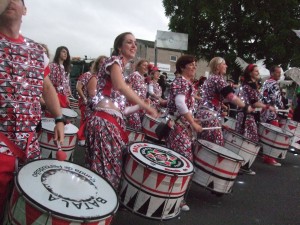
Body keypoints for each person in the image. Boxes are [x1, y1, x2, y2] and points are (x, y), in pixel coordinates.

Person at [0, 0, 64, 220]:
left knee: (21, 210)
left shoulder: (37, 50)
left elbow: (47, 87)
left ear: (25, 10)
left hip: (29, 144)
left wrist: (59, 119)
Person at [85, 32, 157, 190]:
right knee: (103, 174)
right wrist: (144, 105)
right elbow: (119, 86)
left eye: (135, 43)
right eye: (129, 42)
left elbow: (121, 110)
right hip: (104, 124)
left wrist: (139, 106)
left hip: (111, 123)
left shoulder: (122, 71)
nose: (134, 46)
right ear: (119, 47)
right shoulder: (114, 61)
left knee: (109, 172)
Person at [166, 55, 203, 212]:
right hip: (179, 127)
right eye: (191, 65)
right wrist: (193, 123)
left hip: (183, 127)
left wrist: (193, 120)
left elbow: (185, 106)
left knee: (180, 160)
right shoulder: (181, 82)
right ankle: (174, 198)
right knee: (181, 161)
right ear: (182, 67)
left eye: (195, 65)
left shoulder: (187, 83)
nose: (194, 67)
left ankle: (173, 196)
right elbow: (180, 104)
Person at [195, 57, 250, 146]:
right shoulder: (218, 79)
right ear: (217, 67)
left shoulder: (211, 78)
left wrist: (221, 109)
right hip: (209, 116)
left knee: (204, 144)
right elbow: (230, 96)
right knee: (216, 146)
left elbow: (214, 98)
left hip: (204, 114)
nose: (226, 66)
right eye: (224, 64)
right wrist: (245, 106)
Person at [235, 64, 276, 174]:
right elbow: (254, 103)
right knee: (249, 141)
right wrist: (268, 107)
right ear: (250, 73)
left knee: (244, 140)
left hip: (244, 115)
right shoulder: (250, 85)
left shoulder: (248, 84)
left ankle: (239, 165)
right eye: (256, 71)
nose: (258, 73)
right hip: (246, 116)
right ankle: (242, 165)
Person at [260, 65, 285, 166]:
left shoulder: (266, 82)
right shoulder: (274, 84)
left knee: (266, 134)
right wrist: (282, 106)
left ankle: (265, 154)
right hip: (271, 112)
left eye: (280, 72)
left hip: (264, 110)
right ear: (272, 73)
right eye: (277, 72)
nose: (279, 74)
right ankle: (269, 158)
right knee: (274, 135)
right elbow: (276, 98)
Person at [125, 59, 149, 130]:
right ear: (138, 66)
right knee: (135, 127)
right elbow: (128, 89)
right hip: (132, 105)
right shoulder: (134, 75)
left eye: (147, 66)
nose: (146, 67)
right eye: (144, 65)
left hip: (139, 106)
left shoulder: (142, 78)